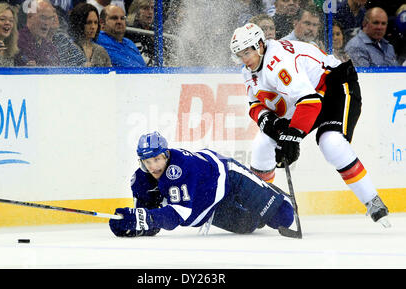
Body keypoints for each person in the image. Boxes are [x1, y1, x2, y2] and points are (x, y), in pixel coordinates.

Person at [229, 23, 391, 227]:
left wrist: (293, 136)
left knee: (331, 142)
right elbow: (255, 104)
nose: (244, 60)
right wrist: (268, 122)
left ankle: (373, 201)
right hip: (305, 97)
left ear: (260, 45)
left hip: (335, 87)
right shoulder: (249, 69)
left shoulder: (278, 63)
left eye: (247, 53)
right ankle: (257, 204)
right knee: (263, 143)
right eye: (239, 55)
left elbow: (310, 102)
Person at [109, 131, 295, 237]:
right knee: (249, 226)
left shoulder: (179, 168)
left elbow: (177, 215)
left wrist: (145, 219)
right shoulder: (140, 180)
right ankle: (260, 207)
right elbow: (151, 221)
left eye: (157, 159)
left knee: (283, 217)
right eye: (147, 161)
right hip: (208, 208)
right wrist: (131, 224)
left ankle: (276, 195)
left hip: (228, 178)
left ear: (166, 155)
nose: (153, 166)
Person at [15, 0, 60, 66]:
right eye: (43, 17)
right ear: (30, 16)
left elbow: (57, 68)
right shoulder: (18, 41)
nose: (47, 23)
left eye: (50, 18)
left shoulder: (49, 45)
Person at [125, 0, 155, 66]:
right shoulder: (131, 31)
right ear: (136, 11)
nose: (150, 12)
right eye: (145, 8)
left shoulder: (155, 30)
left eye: (152, 8)